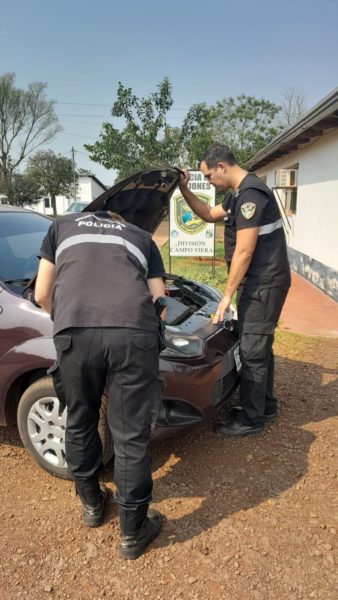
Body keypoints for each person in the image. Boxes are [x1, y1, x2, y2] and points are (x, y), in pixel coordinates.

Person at [35, 209, 166, 560]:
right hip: (133, 333)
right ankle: (132, 532)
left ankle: (92, 504)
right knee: (130, 434)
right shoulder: (140, 236)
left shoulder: (61, 226)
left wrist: (71, 322)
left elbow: (42, 294)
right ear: (119, 219)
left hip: (74, 330)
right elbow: (159, 302)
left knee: (79, 418)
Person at [178, 143, 291, 437]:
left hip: (264, 283)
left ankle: (252, 419)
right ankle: (264, 405)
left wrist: (226, 296)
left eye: (209, 176)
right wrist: (185, 190)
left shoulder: (251, 195)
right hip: (261, 282)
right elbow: (207, 214)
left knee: (252, 349)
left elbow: (244, 251)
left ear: (222, 167)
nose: (209, 182)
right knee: (259, 342)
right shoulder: (239, 193)